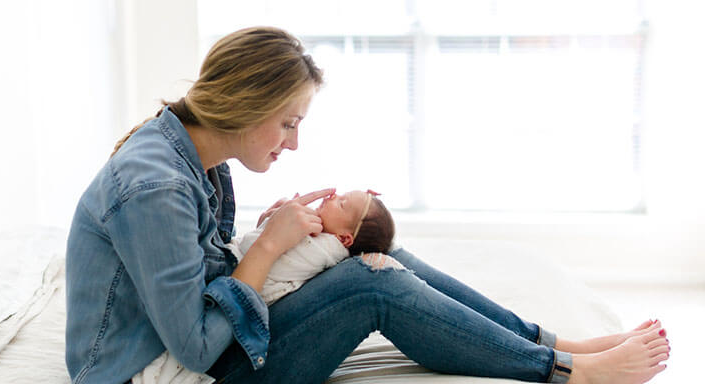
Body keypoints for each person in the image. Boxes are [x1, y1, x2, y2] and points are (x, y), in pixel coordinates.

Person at [65, 26, 670, 384]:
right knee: (372, 283)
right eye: (288, 123)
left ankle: (548, 342)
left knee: (379, 250)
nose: (294, 143)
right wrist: (273, 244)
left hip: (203, 343)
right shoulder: (156, 186)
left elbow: (203, 270)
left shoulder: (194, 151)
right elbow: (196, 348)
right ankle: (567, 373)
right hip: (167, 370)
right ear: (246, 108)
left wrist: (277, 236)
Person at [229, 189, 396, 305]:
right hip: (248, 282)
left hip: (244, 290)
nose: (332, 196)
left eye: (341, 204)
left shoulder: (318, 248)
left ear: (344, 238)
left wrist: (270, 224)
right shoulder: (327, 243)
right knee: (395, 250)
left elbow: (248, 249)